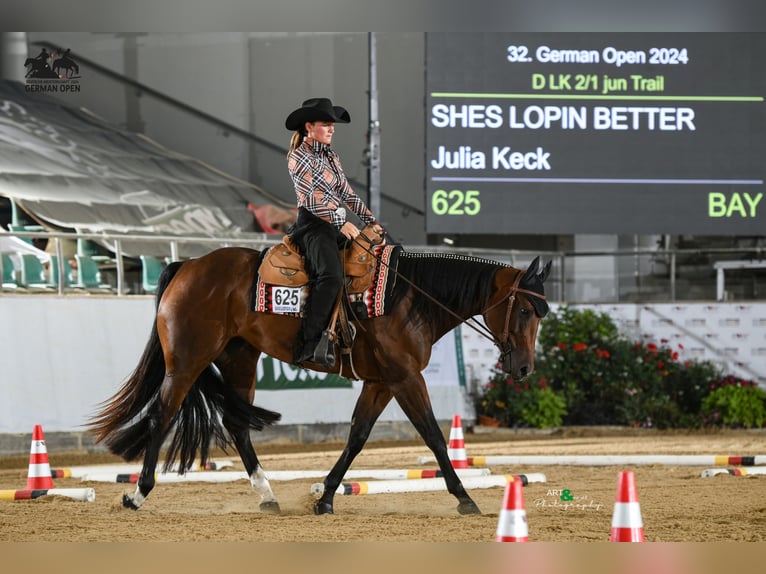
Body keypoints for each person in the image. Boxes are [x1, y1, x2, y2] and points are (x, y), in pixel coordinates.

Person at [285, 97, 384, 368]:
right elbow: (311, 199)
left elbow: (346, 194)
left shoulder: (331, 156)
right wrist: (340, 223)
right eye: (326, 124)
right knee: (330, 276)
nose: (332, 129)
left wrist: (371, 220)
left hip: (331, 224)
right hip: (312, 225)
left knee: (363, 264)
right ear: (309, 127)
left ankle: (346, 329)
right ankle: (308, 344)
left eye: (332, 125)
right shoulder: (298, 157)